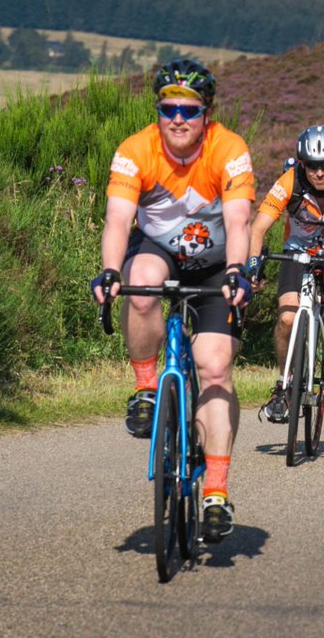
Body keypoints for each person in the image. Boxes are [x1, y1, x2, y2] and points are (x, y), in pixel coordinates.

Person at [91, 57, 254, 542]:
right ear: (157, 111)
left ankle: (216, 493)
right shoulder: (134, 150)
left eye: (189, 109)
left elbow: (241, 222)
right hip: (159, 251)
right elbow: (119, 221)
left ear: (207, 112)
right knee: (139, 284)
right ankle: (145, 389)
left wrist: (238, 273)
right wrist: (109, 271)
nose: (178, 119)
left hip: (215, 265)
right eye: (168, 110)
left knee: (215, 366)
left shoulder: (229, 149)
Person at [246, 125, 324, 424]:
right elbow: (258, 227)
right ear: (301, 163)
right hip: (297, 250)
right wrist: (254, 265)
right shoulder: (289, 181)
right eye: (312, 166)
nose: (319, 173)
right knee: (287, 319)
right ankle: (284, 383)